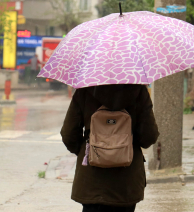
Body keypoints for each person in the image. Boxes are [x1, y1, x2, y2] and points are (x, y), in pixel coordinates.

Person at [61, 84, 159, 212]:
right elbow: (149, 136)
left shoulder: (84, 91)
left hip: (92, 180)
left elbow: (68, 134)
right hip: (126, 182)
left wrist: (88, 150)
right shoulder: (138, 91)